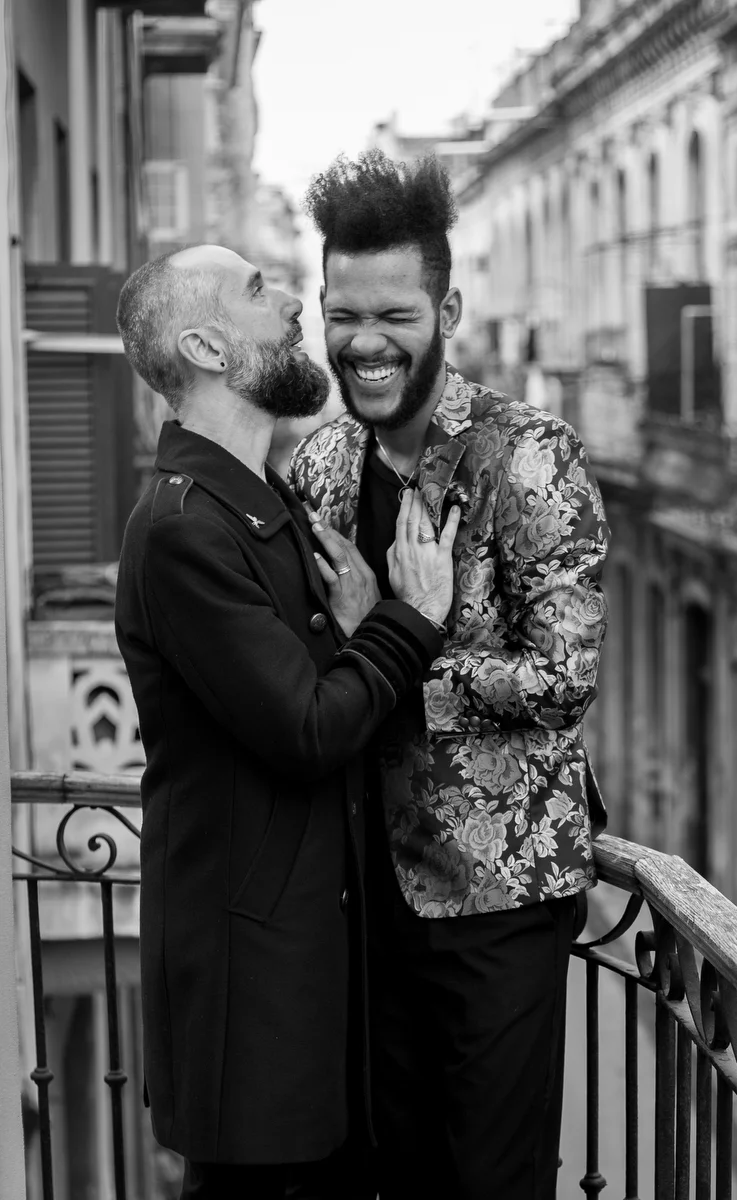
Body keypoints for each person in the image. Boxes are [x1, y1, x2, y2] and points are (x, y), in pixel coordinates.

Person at [290, 151, 610, 1200]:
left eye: (394, 314)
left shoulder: (528, 456)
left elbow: (564, 674)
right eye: (343, 315)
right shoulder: (323, 465)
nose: (364, 344)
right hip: (366, 900)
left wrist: (396, 647)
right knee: (400, 1174)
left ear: (448, 307)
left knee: (488, 1181)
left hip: (500, 898)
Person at [114, 243, 460, 1199]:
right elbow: (307, 729)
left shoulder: (251, 499)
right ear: (208, 347)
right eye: (259, 292)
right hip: (252, 999)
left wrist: (355, 630)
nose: (295, 308)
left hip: (304, 985)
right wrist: (408, 622)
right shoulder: (185, 526)